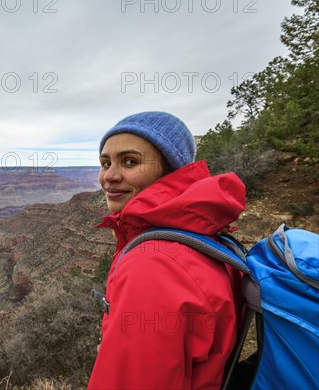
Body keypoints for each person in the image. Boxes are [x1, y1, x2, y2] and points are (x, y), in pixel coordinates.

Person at [88, 111, 245, 389]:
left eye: (130, 161)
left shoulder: (153, 263)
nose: (109, 176)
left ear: (170, 169)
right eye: (105, 162)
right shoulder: (200, 236)